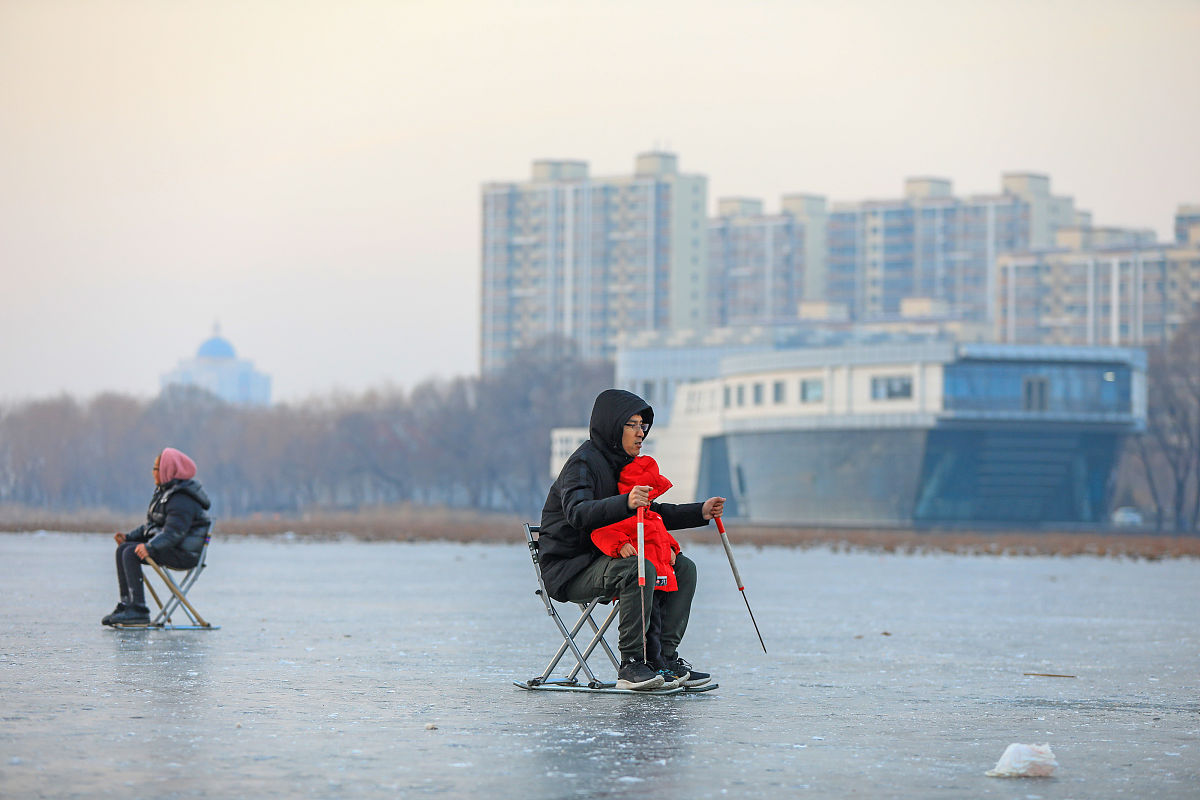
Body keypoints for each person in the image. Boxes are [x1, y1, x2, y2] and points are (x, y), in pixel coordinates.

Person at [539, 389, 725, 691]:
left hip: (605, 559)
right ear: (612, 425)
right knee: (638, 569)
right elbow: (578, 513)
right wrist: (625, 502)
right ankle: (632, 665)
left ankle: (663, 661)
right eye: (633, 425)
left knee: (685, 568)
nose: (641, 433)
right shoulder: (582, 464)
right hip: (571, 569)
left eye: (643, 426)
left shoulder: (622, 464)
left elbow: (651, 512)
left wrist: (700, 512)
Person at [589, 453, 689, 689]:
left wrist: (673, 549)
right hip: (643, 580)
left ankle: (664, 661)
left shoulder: (652, 515)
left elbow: (662, 537)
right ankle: (652, 663)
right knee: (650, 625)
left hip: (663, 579)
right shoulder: (621, 513)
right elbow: (601, 531)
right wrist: (620, 545)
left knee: (661, 622)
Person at [103, 447, 212, 626]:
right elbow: (152, 526)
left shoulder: (182, 499)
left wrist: (150, 547)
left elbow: (173, 534)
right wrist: (129, 537)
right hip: (171, 547)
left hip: (184, 554)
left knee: (130, 553)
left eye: (156, 468)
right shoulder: (165, 493)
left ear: (167, 470)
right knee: (124, 548)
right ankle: (127, 604)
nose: (153, 472)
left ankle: (138, 610)